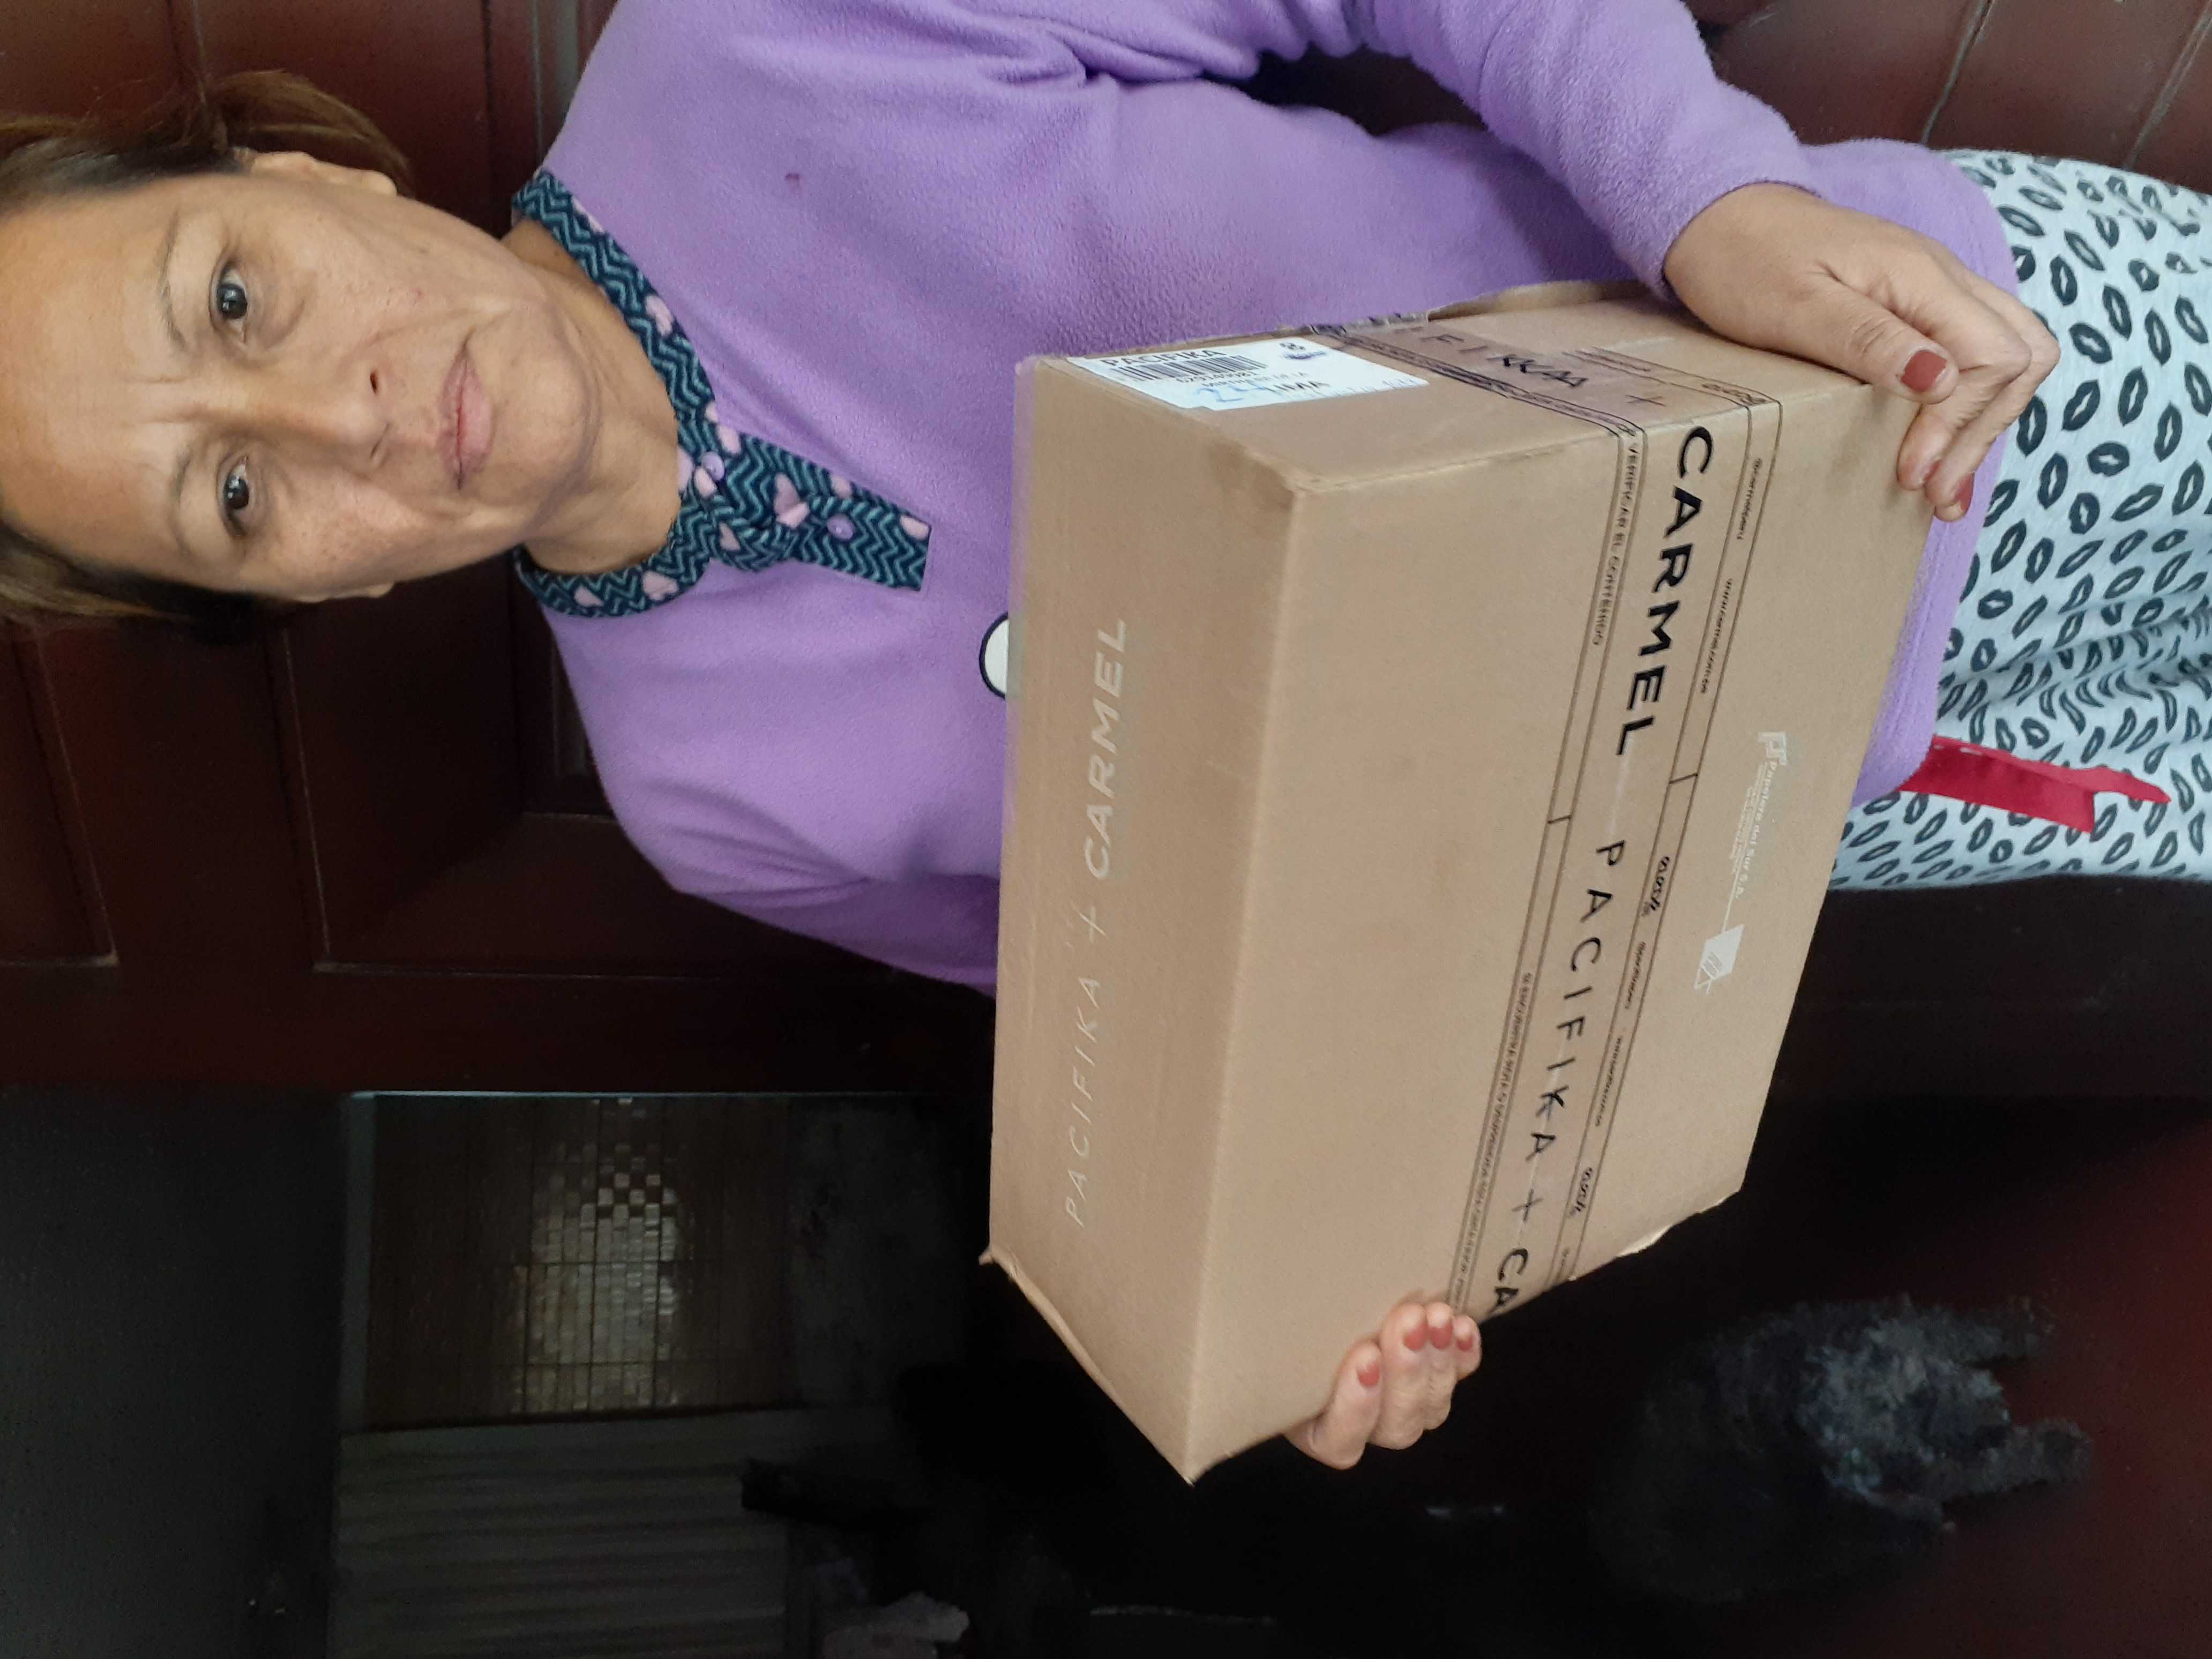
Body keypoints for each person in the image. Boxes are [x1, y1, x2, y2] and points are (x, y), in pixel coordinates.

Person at [0, 0, 2200, 1469]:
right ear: (312, 593)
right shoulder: (708, 797)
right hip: (1822, 793)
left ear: (312, 174)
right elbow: (1207, 1036)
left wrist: (1710, 195)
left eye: (233, 298)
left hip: (1944, 382)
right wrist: (1327, 1281)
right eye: (236, 495)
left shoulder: (747, 48)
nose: (343, 415)